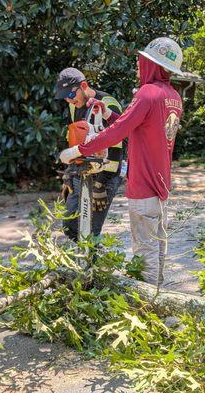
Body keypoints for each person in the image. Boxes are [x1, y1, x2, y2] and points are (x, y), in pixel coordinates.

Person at [59, 37, 184, 287]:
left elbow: (117, 133)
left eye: (141, 62)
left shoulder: (147, 93)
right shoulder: (173, 97)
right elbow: (138, 127)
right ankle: (160, 296)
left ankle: (147, 306)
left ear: (151, 64)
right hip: (161, 185)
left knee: (144, 251)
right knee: (158, 246)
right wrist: (109, 114)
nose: (138, 68)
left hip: (144, 185)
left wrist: (77, 150)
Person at [54, 67, 124, 241]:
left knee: (91, 232)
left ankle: (91, 265)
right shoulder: (73, 107)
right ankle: (81, 265)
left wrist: (101, 185)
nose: (69, 101)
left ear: (83, 86)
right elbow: (75, 141)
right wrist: (69, 174)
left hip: (106, 173)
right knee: (71, 226)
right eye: (65, 98)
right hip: (81, 169)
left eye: (71, 96)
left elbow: (116, 148)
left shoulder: (108, 104)